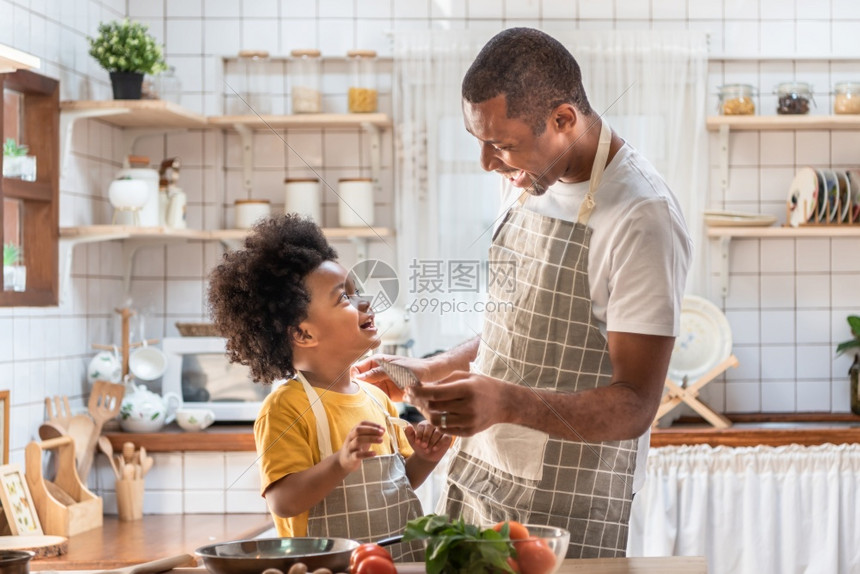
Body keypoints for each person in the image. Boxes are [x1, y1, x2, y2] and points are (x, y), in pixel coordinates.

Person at [355, 27, 692, 558]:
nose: (489, 163)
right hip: (478, 477)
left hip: (568, 505)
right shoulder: (529, 182)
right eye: (482, 142)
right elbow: (521, 324)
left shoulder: (640, 216)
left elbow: (635, 404)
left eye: (503, 145)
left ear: (563, 121)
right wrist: (434, 368)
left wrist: (506, 402)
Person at [207, 214, 451, 558]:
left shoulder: (377, 397)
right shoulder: (285, 408)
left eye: (356, 291)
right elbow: (283, 502)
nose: (364, 302)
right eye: (345, 298)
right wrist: (340, 462)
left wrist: (425, 460)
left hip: (396, 565)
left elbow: (395, 490)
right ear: (304, 334)